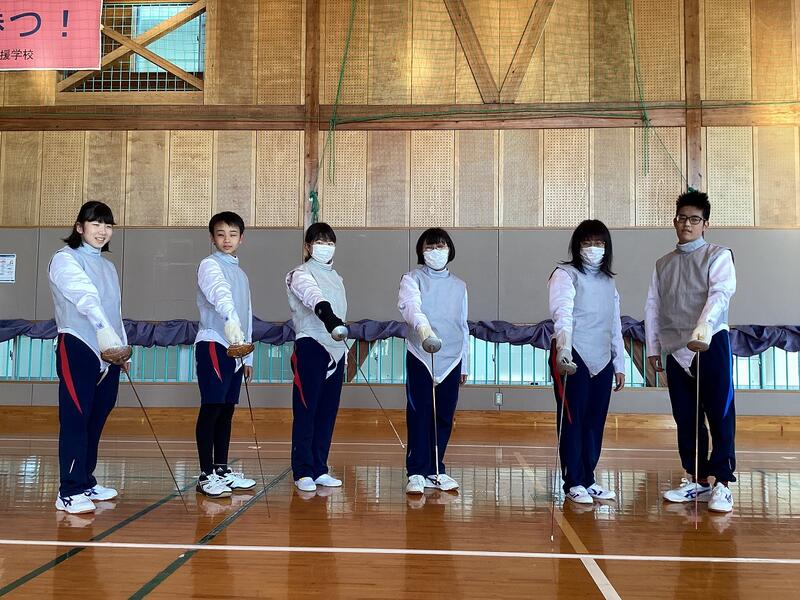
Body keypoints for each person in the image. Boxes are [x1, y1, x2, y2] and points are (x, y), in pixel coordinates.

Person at [645, 190, 737, 513]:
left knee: (720, 413)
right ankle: (697, 479)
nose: (687, 224)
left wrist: (704, 326)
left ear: (705, 224)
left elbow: (721, 293)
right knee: (685, 417)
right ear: (675, 222)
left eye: (694, 219)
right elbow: (653, 306)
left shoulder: (718, 255)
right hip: (675, 350)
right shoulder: (663, 264)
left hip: (710, 344)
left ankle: (722, 482)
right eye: (682, 218)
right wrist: (653, 347)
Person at [49, 201, 128, 514]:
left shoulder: (108, 267)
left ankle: (85, 481)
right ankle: (68, 490)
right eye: (96, 224)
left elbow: (115, 310)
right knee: (76, 417)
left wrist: (120, 346)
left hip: (109, 352)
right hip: (79, 344)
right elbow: (85, 297)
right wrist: (103, 333)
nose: (102, 231)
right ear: (80, 227)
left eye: (107, 225)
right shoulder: (65, 258)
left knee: (98, 415)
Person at [548, 219, 626, 504]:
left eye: (599, 243)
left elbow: (614, 323)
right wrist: (564, 349)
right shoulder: (565, 275)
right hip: (573, 354)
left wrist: (619, 363)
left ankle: (589, 478)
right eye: (587, 242)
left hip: (602, 358)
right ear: (577, 246)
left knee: (595, 421)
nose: (593, 248)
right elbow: (562, 313)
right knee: (573, 420)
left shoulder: (609, 282)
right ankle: (573, 481)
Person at [398, 228, 468, 495]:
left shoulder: (460, 286)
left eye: (440, 246)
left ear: (449, 250)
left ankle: (435, 469)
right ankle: (416, 471)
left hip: (452, 357)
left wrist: (465, 363)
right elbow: (411, 307)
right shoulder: (412, 279)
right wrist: (424, 331)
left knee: (444, 415)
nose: (435, 251)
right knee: (420, 413)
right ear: (421, 251)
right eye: (430, 247)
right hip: (421, 353)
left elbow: (463, 325)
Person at [194, 211, 256, 498]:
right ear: (212, 238)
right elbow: (220, 294)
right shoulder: (209, 265)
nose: (226, 239)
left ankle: (221, 469)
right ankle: (206, 474)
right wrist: (230, 324)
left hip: (236, 349)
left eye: (232, 234)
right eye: (221, 234)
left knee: (227, 409)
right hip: (214, 342)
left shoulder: (241, 274)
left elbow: (247, 314)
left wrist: (247, 356)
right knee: (212, 406)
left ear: (241, 239)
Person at [286, 222, 348, 493]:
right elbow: (314, 296)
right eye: (319, 242)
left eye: (329, 242)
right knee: (306, 409)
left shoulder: (337, 278)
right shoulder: (299, 274)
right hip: (311, 344)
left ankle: (320, 467)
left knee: (327, 411)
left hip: (336, 348)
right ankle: (303, 470)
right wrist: (329, 317)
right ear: (308, 247)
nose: (325, 247)